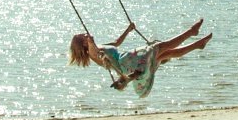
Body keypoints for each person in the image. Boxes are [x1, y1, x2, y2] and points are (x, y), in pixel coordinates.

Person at [68, 19, 211, 97]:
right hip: (126, 62)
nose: (87, 34)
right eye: (84, 36)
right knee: (159, 47)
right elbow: (95, 50)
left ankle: (197, 45)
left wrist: (128, 30)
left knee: (166, 54)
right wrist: (90, 41)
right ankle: (191, 32)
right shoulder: (93, 52)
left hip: (128, 60)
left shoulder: (98, 45)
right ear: (84, 44)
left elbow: (117, 42)